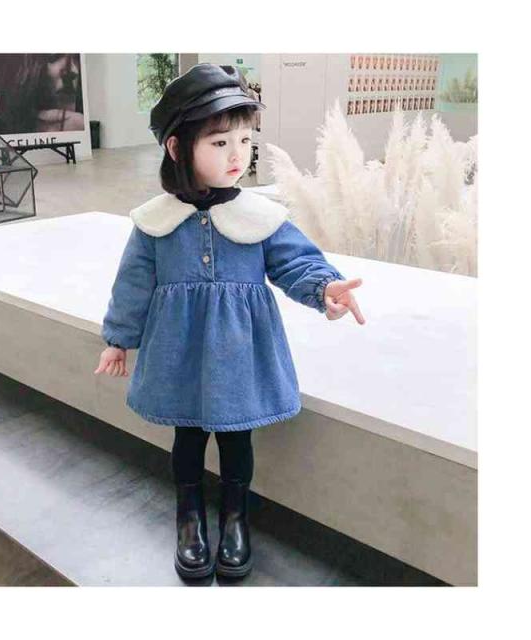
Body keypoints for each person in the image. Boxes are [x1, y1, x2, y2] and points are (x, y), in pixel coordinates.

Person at [94, 63, 365, 582]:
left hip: (239, 355)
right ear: (177, 148)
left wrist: (324, 288)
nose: (238, 154)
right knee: (189, 437)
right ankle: (189, 516)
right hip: (180, 354)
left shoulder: (261, 217)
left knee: (238, 439)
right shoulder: (155, 222)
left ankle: (236, 517)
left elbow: (295, 262)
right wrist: (118, 339)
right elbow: (132, 284)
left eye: (244, 140)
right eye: (220, 143)